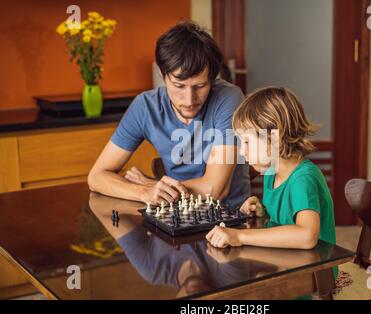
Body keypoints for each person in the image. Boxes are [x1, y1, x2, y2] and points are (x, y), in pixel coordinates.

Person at [88, 21, 250, 209]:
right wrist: (144, 192)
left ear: (213, 78)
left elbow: (215, 189)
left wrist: (151, 184)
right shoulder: (145, 106)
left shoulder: (228, 97)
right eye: (179, 86)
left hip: (229, 217)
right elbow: (96, 177)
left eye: (200, 86)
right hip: (176, 213)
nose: (189, 100)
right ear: (161, 73)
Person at [206, 87, 336, 250]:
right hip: (289, 260)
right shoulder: (271, 173)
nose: (241, 151)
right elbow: (284, 222)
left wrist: (239, 236)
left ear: (276, 139)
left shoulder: (303, 179)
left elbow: (307, 236)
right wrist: (263, 211)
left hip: (316, 272)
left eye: (246, 142)